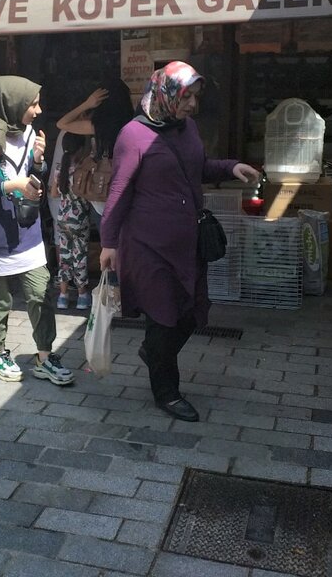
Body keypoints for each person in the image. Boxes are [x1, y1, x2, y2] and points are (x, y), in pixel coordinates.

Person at [99, 62, 259, 421]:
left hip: (187, 243)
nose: (192, 105)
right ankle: (167, 392)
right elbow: (119, 190)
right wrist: (108, 242)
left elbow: (197, 168)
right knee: (164, 318)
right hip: (148, 246)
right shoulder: (133, 135)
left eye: (195, 97)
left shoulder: (187, 129)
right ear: (166, 94)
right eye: (186, 97)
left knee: (192, 312)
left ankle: (154, 352)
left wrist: (230, 168)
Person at [0, 75, 74, 386]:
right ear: (12, 104)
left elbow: (33, 177)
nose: (38, 110)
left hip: (28, 230)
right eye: (32, 104)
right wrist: (10, 185)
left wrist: (38, 161)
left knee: (40, 294)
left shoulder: (29, 134)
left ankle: (44, 357)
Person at [52, 80, 134, 310]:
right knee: (128, 248)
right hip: (128, 195)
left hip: (101, 196)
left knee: (109, 248)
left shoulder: (98, 126)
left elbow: (62, 123)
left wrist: (87, 104)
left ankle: (115, 298)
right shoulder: (132, 125)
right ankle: (131, 294)